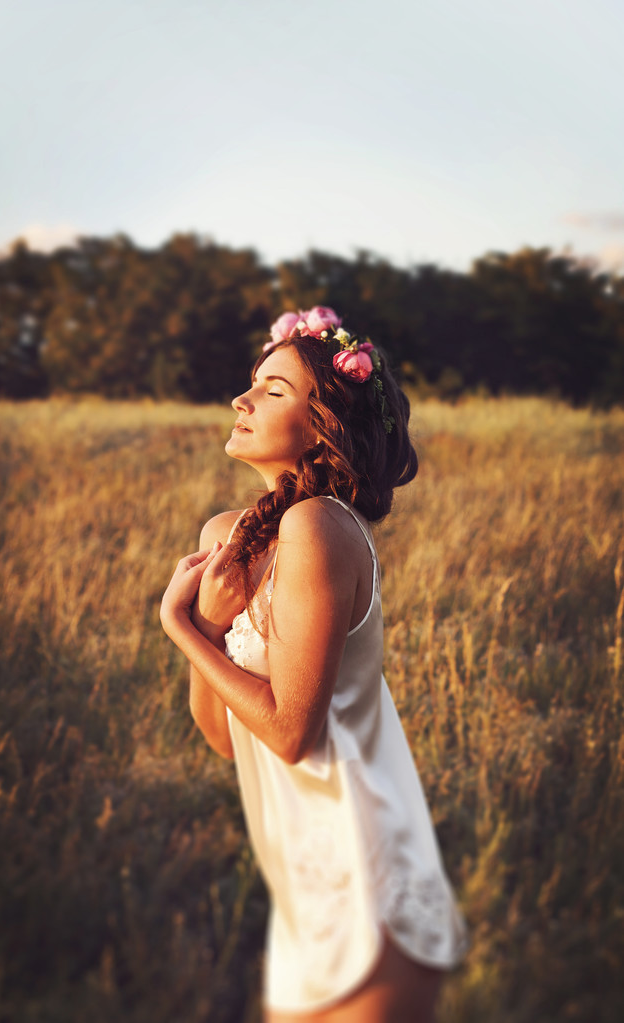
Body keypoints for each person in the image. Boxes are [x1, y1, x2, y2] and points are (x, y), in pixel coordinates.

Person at [160, 307, 467, 1022]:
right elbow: (224, 736)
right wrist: (211, 624)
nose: (241, 400)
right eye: (252, 383)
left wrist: (178, 625)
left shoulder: (319, 525)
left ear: (323, 425)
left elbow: (291, 734)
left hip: (371, 875)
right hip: (302, 882)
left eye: (272, 391)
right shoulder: (227, 534)